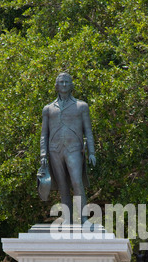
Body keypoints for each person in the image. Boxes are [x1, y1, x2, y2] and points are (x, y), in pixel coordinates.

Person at [39, 72, 96, 222]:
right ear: (56, 86)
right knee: (63, 185)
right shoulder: (48, 108)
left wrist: (92, 152)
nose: (64, 85)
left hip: (74, 149)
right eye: (61, 82)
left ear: (71, 85)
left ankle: (83, 217)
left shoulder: (81, 106)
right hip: (55, 150)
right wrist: (43, 155)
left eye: (67, 82)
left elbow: (88, 131)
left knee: (77, 182)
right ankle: (68, 218)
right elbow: (44, 134)